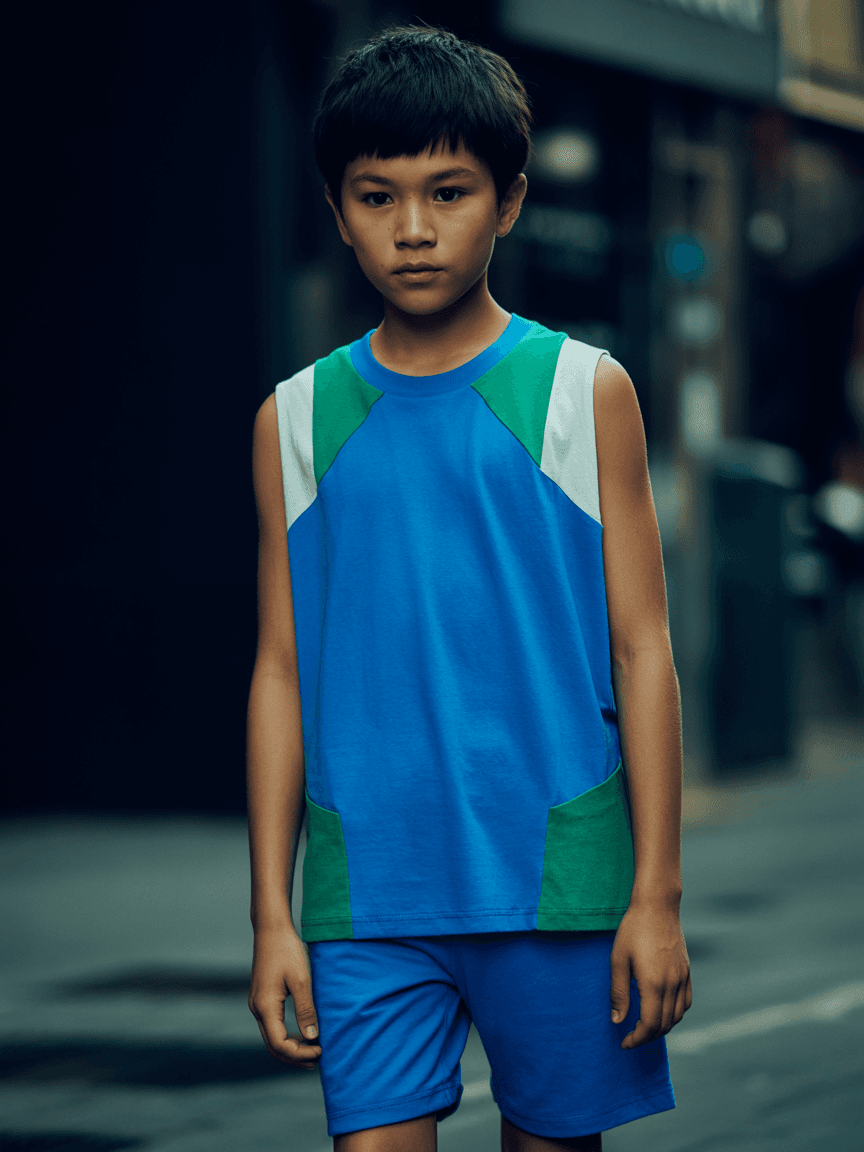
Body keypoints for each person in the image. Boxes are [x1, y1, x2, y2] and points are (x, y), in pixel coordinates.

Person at [246, 24, 691, 1152]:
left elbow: (644, 651)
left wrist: (656, 895)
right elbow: (280, 670)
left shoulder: (584, 393)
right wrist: (270, 915)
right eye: (375, 195)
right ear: (337, 210)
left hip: (557, 881)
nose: (411, 229)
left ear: (510, 201)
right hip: (368, 895)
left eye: (448, 191)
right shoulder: (294, 420)